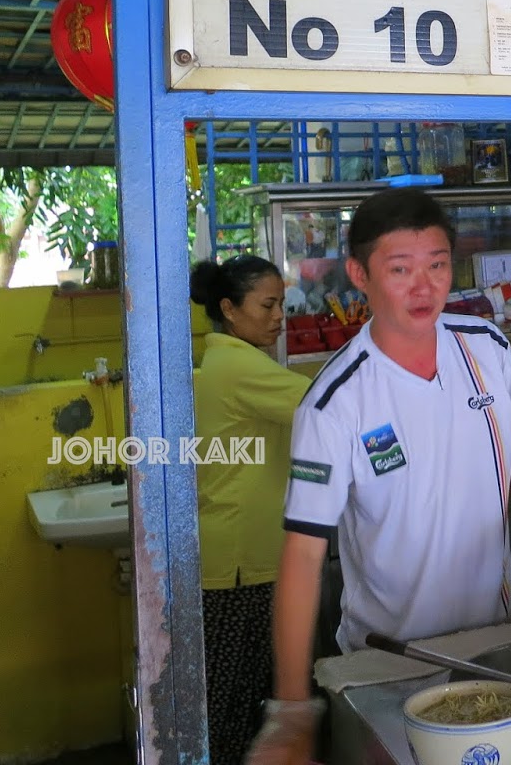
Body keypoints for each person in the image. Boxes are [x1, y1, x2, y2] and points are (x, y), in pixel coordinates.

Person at [247, 190, 511, 765]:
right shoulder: (334, 402)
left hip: (493, 644)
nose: (424, 288)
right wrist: (292, 711)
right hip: (387, 661)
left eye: (437, 265)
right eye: (400, 270)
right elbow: (301, 555)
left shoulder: (487, 349)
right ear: (359, 275)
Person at [190, 254, 312, 765]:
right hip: (242, 563)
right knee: (238, 706)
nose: (279, 315)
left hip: (231, 555)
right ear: (229, 309)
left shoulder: (224, 362)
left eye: (282, 303)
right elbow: (323, 405)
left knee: (233, 701)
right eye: (268, 304)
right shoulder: (239, 367)